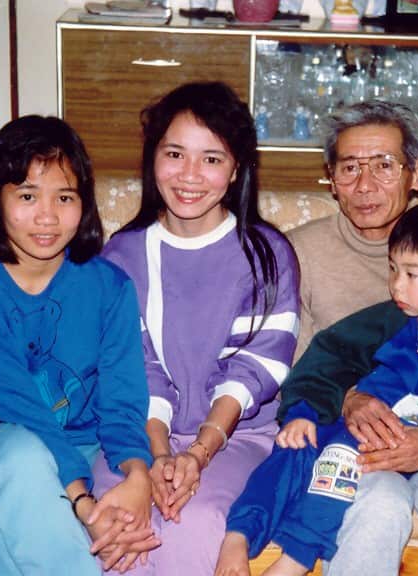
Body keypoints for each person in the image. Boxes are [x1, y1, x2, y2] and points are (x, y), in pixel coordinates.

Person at [217, 199, 418, 576]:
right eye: (393, 270)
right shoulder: (387, 320)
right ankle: (247, 537)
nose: (396, 285)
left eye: (412, 274)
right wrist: (303, 412)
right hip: (368, 441)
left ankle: (295, 558)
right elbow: (325, 358)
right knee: (302, 450)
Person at [95, 82, 300, 575]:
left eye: (211, 159)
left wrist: (199, 454)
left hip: (237, 437)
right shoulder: (121, 255)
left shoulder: (267, 253)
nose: (189, 176)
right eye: (174, 154)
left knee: (195, 518)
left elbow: (256, 366)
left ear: (235, 171)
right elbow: (133, 366)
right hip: (136, 436)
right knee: (124, 521)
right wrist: (161, 453)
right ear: (153, 160)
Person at [0, 115, 156, 575]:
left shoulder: (110, 287)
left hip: (89, 444)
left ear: (85, 204)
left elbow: (122, 402)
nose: (47, 216)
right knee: (23, 459)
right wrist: (81, 503)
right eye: (27, 195)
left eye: (65, 197)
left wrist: (138, 475)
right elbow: (24, 412)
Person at [285, 100, 418, 575]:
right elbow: (297, 369)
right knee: (379, 506)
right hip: (349, 439)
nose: (365, 186)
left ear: (417, 172)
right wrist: (349, 399)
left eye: (384, 166)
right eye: (350, 168)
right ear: (330, 177)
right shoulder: (302, 252)